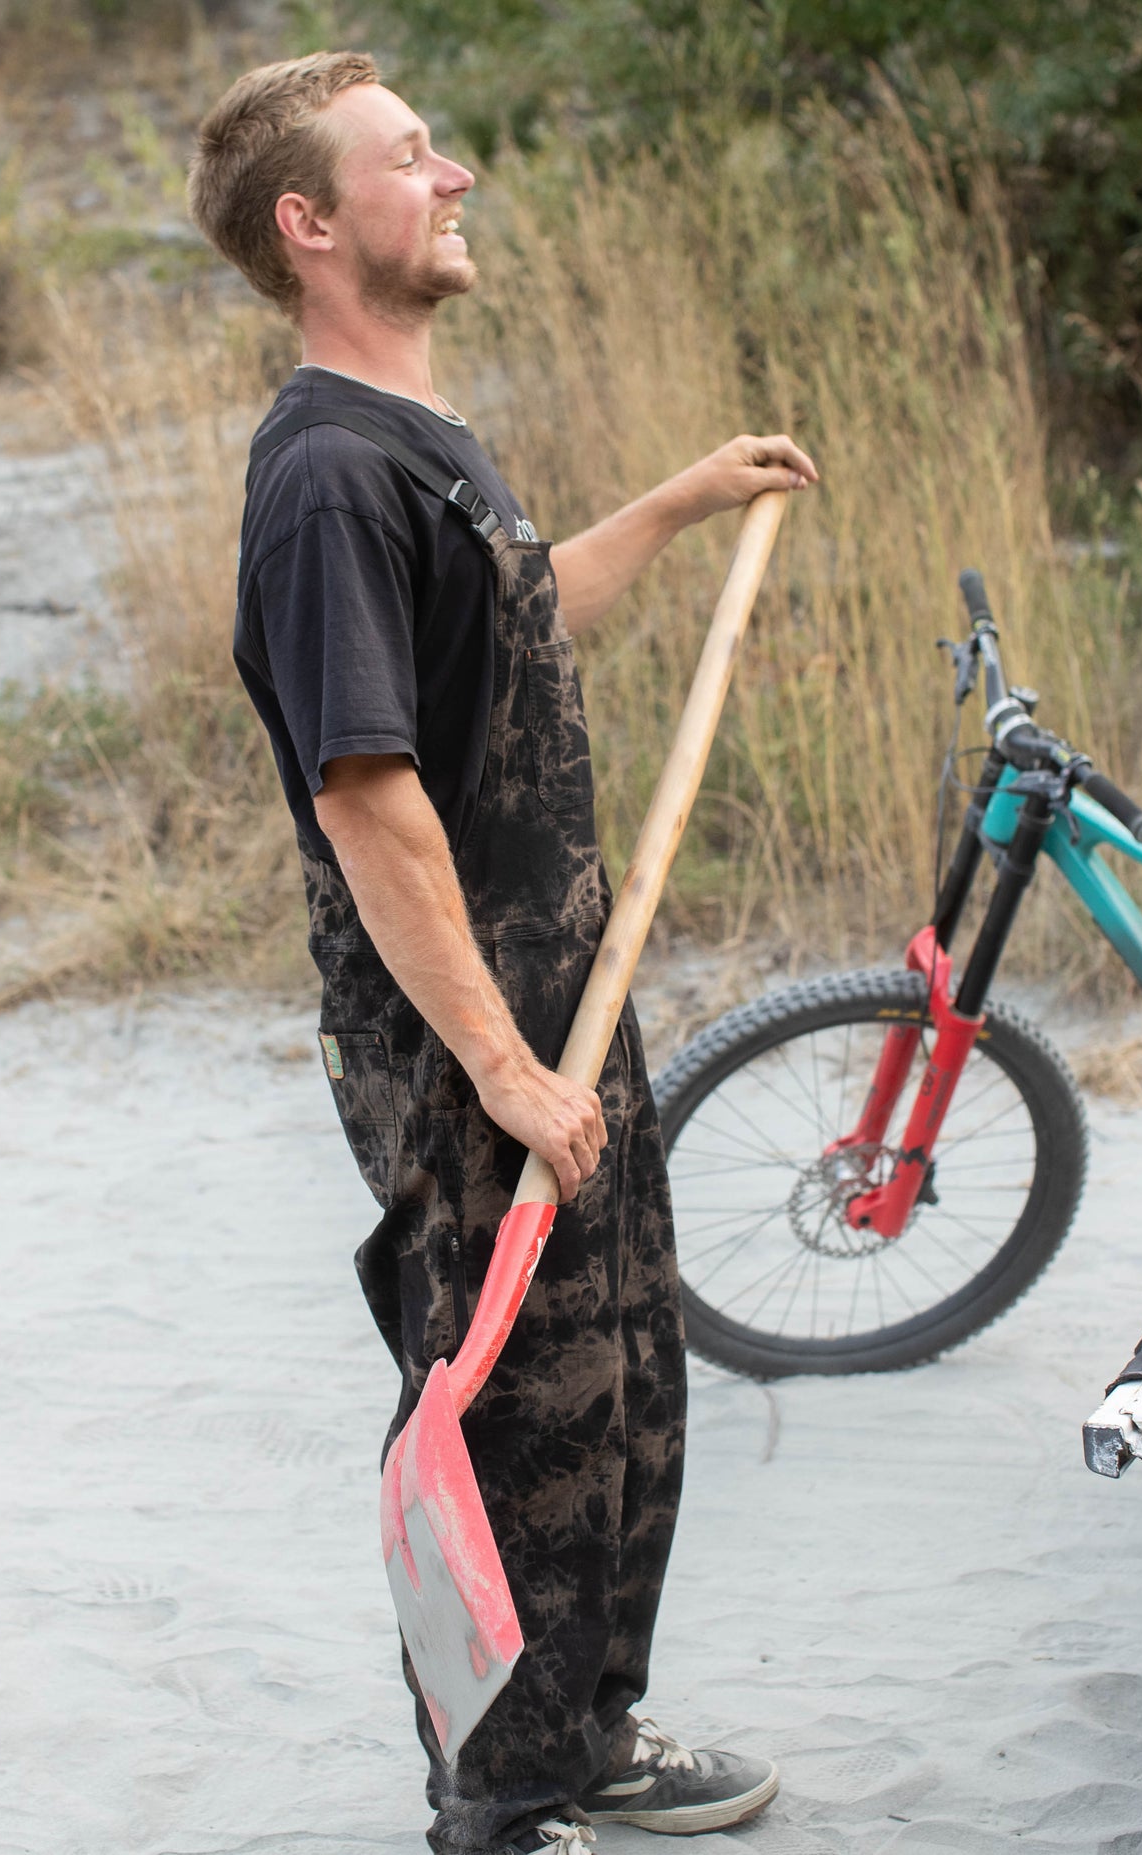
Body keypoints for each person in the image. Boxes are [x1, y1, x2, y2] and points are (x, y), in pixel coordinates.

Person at [187, 51, 818, 1855]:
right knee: (502, 1414)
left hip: (565, 997)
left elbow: (522, 630)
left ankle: (590, 1737)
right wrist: (500, 1068)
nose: (455, 175)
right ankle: (499, 1804)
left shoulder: (422, 443)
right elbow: (374, 802)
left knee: (618, 1379)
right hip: (461, 1033)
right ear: (311, 226)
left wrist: (683, 503)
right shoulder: (320, 482)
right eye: (411, 159)